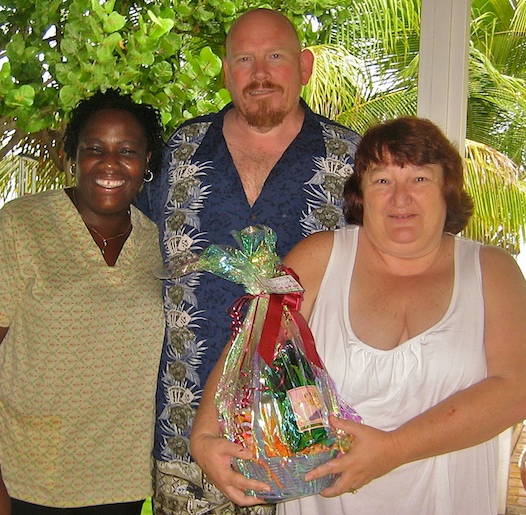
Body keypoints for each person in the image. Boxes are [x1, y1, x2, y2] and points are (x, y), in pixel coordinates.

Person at [190, 116, 526, 514]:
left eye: (420, 179)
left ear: (448, 189)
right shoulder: (319, 257)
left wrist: (393, 449)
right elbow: (250, 346)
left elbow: (518, 391)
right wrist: (203, 437)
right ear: (361, 193)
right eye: (382, 180)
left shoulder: (491, 270)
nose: (400, 197)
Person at [135, 7, 360, 515]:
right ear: (225, 71)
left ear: (304, 66)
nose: (260, 74)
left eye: (275, 57)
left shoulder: (353, 160)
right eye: (244, 59)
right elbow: (121, 231)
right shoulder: (181, 150)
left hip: (304, 445)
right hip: (184, 437)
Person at [0, 89, 165, 515]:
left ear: (147, 164)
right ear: (73, 156)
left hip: (122, 478)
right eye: (94, 149)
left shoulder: (157, 242)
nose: (109, 164)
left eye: (127, 151)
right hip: (28, 477)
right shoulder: (22, 226)